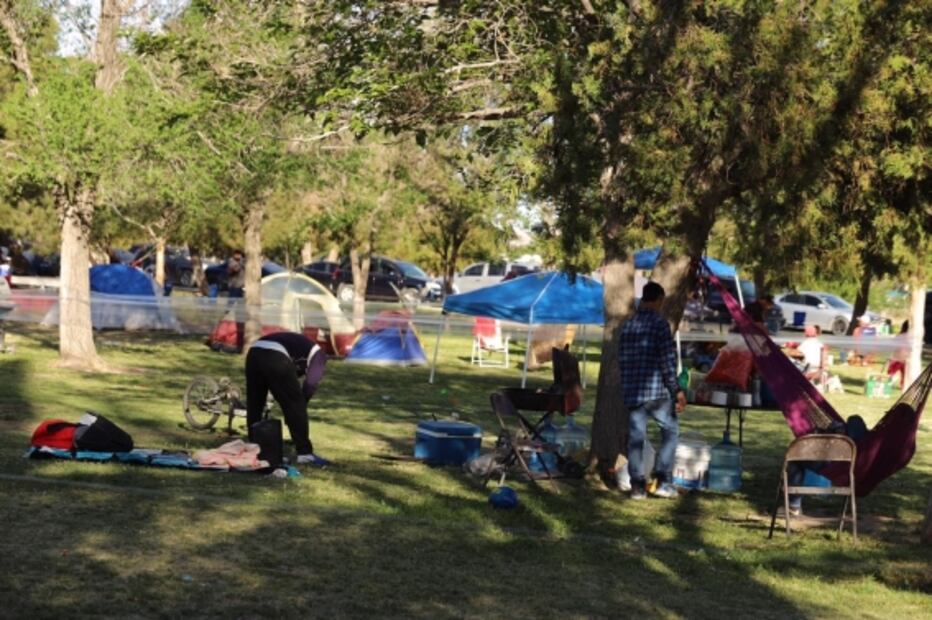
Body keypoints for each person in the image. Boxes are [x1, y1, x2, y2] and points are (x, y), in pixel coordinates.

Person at [619, 281, 686, 500]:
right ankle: (663, 481)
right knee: (670, 432)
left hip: (633, 391)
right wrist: (676, 389)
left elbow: (621, 360)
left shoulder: (628, 324)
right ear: (658, 300)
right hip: (656, 391)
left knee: (636, 438)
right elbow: (667, 361)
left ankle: (637, 486)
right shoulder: (659, 323)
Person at [245, 331, 329, 467]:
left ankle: (254, 448)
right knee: (296, 403)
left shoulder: (299, 348)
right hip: (274, 354)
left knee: (255, 402)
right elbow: (311, 384)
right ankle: (305, 454)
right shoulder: (320, 356)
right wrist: (300, 406)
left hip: (254, 351)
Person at [887, 321, 909, 390]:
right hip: (902, 358)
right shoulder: (906, 336)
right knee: (904, 374)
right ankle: (903, 386)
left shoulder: (900, 335)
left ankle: (890, 382)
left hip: (899, 358)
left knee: (892, 372)